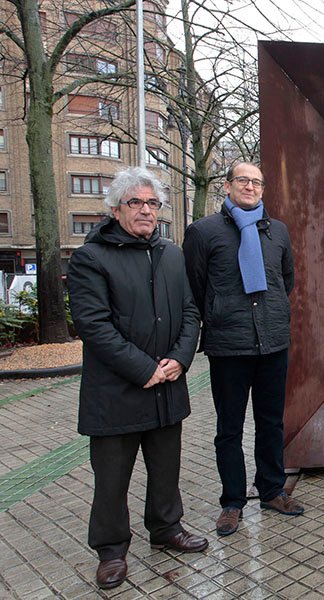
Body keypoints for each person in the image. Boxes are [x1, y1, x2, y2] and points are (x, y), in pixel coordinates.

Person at [67, 167, 207, 590]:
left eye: (152, 203)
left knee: (166, 468)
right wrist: (145, 368)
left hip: (167, 385)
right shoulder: (91, 258)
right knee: (112, 478)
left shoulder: (172, 253)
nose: (146, 210)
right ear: (115, 209)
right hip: (116, 392)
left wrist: (181, 358)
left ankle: (166, 528)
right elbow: (94, 326)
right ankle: (111, 550)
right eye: (136, 202)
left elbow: (189, 311)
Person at [183, 162, 304, 538]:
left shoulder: (277, 231)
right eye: (243, 181)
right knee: (229, 428)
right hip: (229, 346)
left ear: (263, 189)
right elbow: (195, 286)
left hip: (272, 343)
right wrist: (221, 315)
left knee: (271, 422)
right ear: (227, 185)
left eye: (257, 182)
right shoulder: (203, 232)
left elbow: (286, 280)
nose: (250, 187)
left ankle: (271, 490)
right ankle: (232, 502)